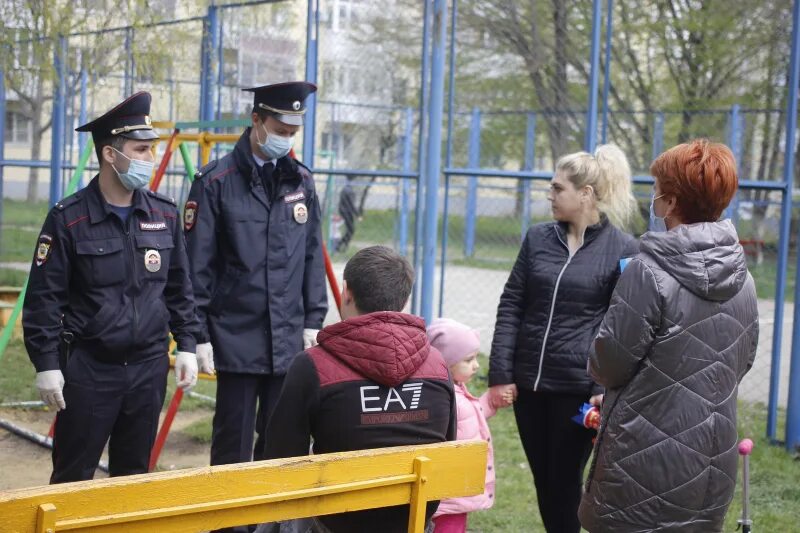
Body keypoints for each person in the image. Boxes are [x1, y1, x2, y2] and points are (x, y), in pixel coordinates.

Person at [578, 140, 759, 532]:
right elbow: (742, 361)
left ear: (671, 201)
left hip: (642, 461)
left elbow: (607, 365)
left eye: (658, 188)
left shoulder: (647, 273)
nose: (654, 197)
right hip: (712, 460)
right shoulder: (745, 281)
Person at [22, 92, 200, 483]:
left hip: (147, 370)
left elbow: (179, 287)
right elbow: (43, 300)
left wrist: (188, 342)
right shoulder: (68, 220)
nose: (149, 158)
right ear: (110, 154)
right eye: (141, 149)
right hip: (89, 370)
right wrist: (47, 364)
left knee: (133, 478)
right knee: (72, 477)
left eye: (151, 149)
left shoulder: (164, 213)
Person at [488, 144, 639, 532]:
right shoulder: (537, 238)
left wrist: (600, 384)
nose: (550, 195)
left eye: (558, 189)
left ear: (585, 194)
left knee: (565, 481)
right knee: (544, 481)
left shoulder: (624, 249)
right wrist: (502, 373)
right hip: (530, 388)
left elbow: (622, 326)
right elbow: (512, 306)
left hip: (577, 392)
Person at [184, 81, 328, 476]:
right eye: (280, 131)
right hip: (235, 338)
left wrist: (314, 320)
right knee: (232, 446)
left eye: (292, 133)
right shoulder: (215, 182)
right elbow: (197, 266)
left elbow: (312, 255)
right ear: (256, 121)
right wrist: (196, 334)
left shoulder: (301, 181)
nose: (286, 140)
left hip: (288, 338)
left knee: (282, 445)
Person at [264, 245, 456, 533]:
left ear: (346, 292)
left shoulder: (312, 366)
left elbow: (281, 459)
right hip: (413, 521)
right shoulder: (438, 366)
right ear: (404, 299)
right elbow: (447, 447)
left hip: (334, 522)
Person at [426, 318, 509, 533]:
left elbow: (468, 420)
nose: (477, 365)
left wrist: (489, 402)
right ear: (446, 362)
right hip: (447, 497)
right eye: (468, 360)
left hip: (453, 493)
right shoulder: (447, 398)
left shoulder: (455, 390)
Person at [335, 175, 359, 252]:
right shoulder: (349, 190)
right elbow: (351, 204)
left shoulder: (346, 189)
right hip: (347, 212)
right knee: (351, 230)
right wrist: (357, 214)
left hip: (345, 211)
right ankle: (341, 246)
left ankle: (343, 245)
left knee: (350, 230)